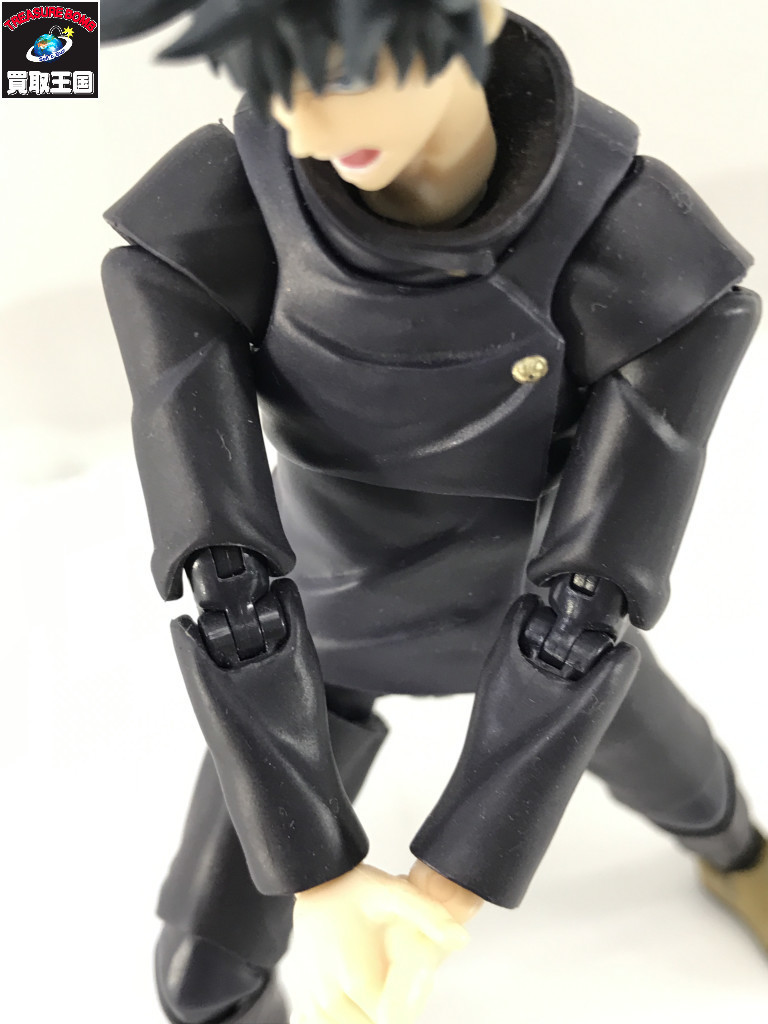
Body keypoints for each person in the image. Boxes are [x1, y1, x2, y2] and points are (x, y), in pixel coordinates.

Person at [101, 2, 766, 1022]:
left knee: (706, 804)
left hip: (538, 624)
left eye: (343, 74)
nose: (308, 128)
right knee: (202, 978)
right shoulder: (219, 221)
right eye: (275, 81)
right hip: (321, 624)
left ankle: (740, 856)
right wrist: (318, 874)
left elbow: (591, 597)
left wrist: (447, 887)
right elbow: (225, 574)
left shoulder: (638, 251)